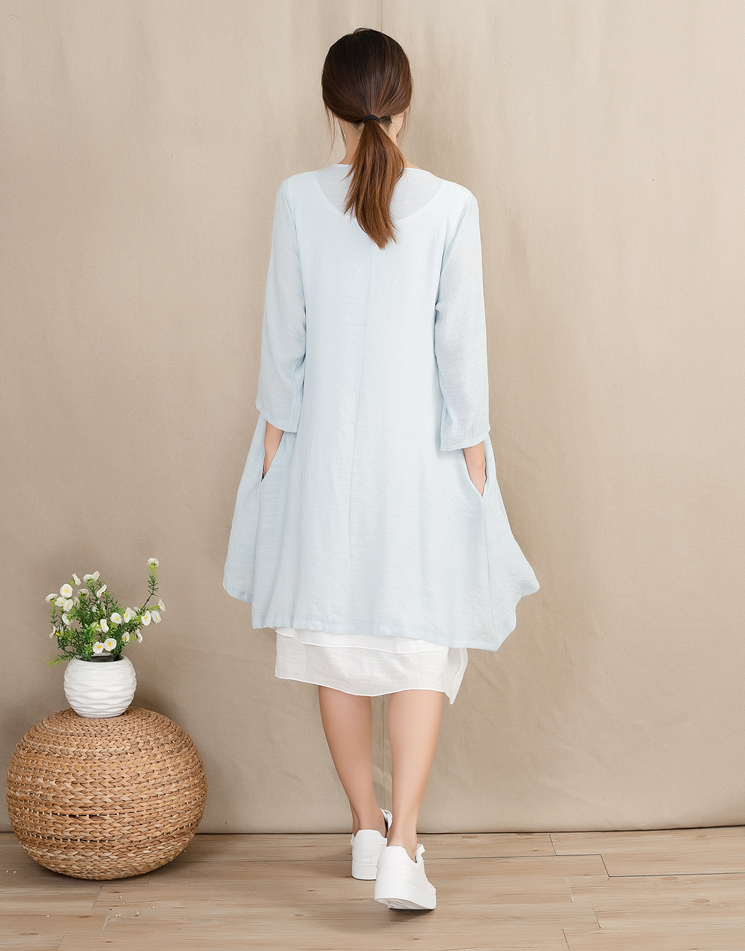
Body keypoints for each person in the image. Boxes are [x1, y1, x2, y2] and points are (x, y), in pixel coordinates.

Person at [223, 27, 540, 910]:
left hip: (323, 459)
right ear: (406, 103)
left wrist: (274, 453)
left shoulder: (296, 199)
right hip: (421, 461)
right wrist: (475, 465)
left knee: (335, 637)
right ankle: (403, 847)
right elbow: (460, 356)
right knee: (416, 644)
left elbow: (283, 347)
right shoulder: (451, 205)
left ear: (331, 107)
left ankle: (365, 826)